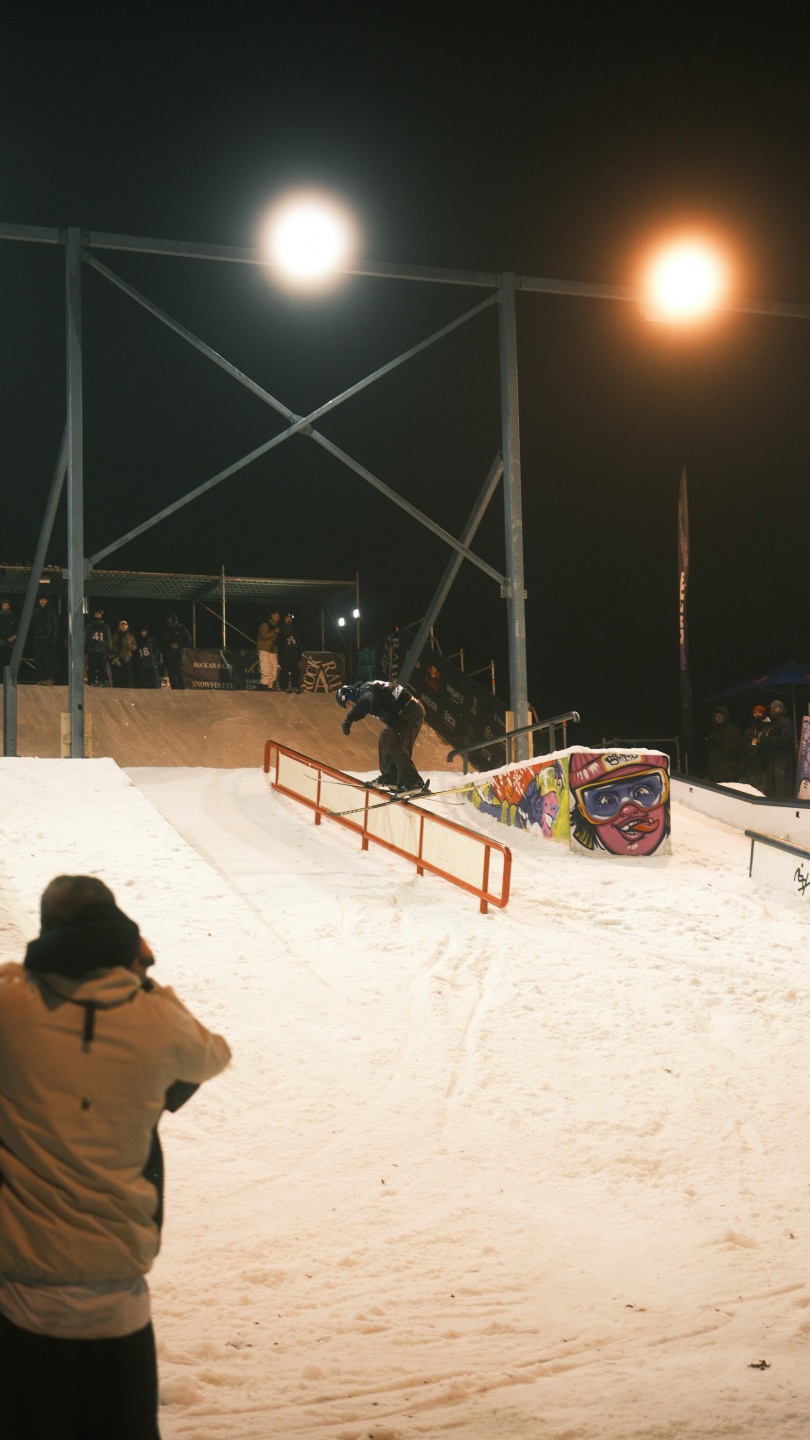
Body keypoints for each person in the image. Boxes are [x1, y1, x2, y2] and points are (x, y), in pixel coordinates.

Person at [0, 874, 231, 1440]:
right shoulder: (154, 1019)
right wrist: (145, 980)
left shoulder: (11, 1005)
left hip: (22, 1292)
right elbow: (212, 1055)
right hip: (119, 1293)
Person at [337, 678, 429, 795]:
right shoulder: (365, 689)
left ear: (351, 695)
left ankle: (414, 783)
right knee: (385, 738)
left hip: (410, 710)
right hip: (402, 715)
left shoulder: (365, 690)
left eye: (349, 702)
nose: (351, 706)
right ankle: (391, 778)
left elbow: (365, 703)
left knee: (395, 744)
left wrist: (349, 719)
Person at [760, 698, 796, 799]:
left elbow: (785, 738)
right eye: (771, 708)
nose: (772, 710)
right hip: (773, 759)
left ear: (781, 708)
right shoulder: (772, 723)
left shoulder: (785, 722)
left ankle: (785, 806)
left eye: (775, 708)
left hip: (782, 759)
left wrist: (767, 740)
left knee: (783, 787)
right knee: (771, 788)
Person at [705, 706, 744, 784]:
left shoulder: (733, 729)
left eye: (720, 715)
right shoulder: (714, 732)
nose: (718, 718)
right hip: (716, 770)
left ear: (725, 717)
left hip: (730, 770)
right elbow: (712, 753)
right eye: (716, 715)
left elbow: (739, 747)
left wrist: (722, 744)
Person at [31, 594, 59, 685]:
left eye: (44, 600)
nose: (42, 602)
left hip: (48, 638)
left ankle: (49, 678)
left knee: (48, 660)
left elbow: (55, 625)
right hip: (37, 638)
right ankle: (40, 678)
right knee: (38, 659)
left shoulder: (51, 610)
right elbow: (31, 623)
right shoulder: (35, 610)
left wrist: (54, 638)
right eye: (41, 600)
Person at [742, 703, 770, 790]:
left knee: (761, 789)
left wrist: (760, 744)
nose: (757, 714)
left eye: (760, 712)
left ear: (764, 714)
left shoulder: (768, 727)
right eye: (755, 712)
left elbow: (768, 745)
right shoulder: (750, 729)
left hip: (763, 764)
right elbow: (745, 747)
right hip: (751, 765)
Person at [84, 608, 113, 687]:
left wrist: (108, 648)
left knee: (102, 667)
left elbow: (108, 638)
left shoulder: (105, 627)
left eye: (99, 614)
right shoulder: (89, 626)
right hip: (92, 649)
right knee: (92, 667)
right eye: (96, 614)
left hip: (102, 650)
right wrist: (85, 647)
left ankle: (101, 681)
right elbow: (86, 637)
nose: (97, 615)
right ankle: (91, 681)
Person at [277, 611, 303, 693]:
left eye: (290, 619)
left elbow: (297, 641)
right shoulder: (280, 627)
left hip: (293, 653)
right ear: (284, 619)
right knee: (284, 670)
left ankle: (295, 686)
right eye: (287, 618)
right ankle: (284, 686)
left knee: (295, 670)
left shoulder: (294, 629)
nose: (288, 620)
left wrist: (299, 652)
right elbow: (279, 639)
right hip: (284, 652)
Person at [164, 614, 191, 690]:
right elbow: (164, 642)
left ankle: (182, 690)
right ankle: (174, 690)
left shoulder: (182, 629)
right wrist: (169, 645)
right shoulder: (167, 631)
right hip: (169, 656)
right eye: (168, 622)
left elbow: (189, 641)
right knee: (171, 675)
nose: (169, 623)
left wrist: (179, 645)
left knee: (179, 673)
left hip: (178, 655)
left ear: (175, 621)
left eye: (170, 621)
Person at [256, 609, 281, 690]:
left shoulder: (278, 626)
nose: (277, 617)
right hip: (264, 648)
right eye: (276, 615)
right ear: (271, 615)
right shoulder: (265, 624)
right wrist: (274, 632)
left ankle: (270, 686)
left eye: (278, 616)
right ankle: (264, 685)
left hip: (273, 650)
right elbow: (263, 636)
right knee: (265, 667)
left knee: (273, 669)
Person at [110, 620, 137, 688]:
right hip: (117, 660)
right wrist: (117, 649)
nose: (123, 626)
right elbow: (111, 647)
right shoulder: (115, 636)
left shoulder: (131, 636)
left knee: (128, 679)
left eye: (125, 625)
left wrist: (128, 646)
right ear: (119, 627)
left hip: (127, 659)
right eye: (121, 625)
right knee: (117, 679)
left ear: (127, 626)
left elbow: (135, 647)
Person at [0, 599, 17, 670]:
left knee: (11, 661)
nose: (6, 607)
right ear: (1, 606)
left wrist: (13, 638)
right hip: (1, 643)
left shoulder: (13, 616)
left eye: (7, 605)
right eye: (4, 605)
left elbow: (17, 628)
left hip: (11, 643)